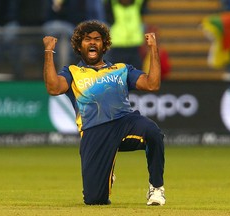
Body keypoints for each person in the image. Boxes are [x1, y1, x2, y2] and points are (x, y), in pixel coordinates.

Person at [42, 20, 165, 206]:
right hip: (94, 131)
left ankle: (156, 188)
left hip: (124, 122)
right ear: (79, 45)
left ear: (104, 44)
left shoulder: (121, 69)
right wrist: (49, 52)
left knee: (153, 133)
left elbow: (152, 84)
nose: (92, 43)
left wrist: (153, 49)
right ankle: (106, 171)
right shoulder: (72, 72)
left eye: (97, 39)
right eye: (87, 39)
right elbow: (53, 88)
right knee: (94, 200)